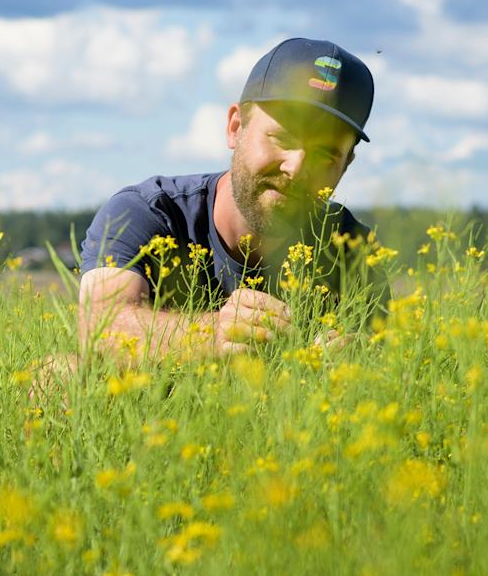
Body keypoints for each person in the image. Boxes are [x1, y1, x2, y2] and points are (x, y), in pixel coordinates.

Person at [72, 37, 388, 367]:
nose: (296, 169)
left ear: (346, 164)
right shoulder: (149, 213)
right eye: (283, 137)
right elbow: (100, 327)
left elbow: (380, 361)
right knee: (58, 373)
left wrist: (355, 367)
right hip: (155, 413)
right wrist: (214, 334)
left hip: (280, 416)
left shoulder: (351, 248)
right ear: (235, 128)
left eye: (325, 154)